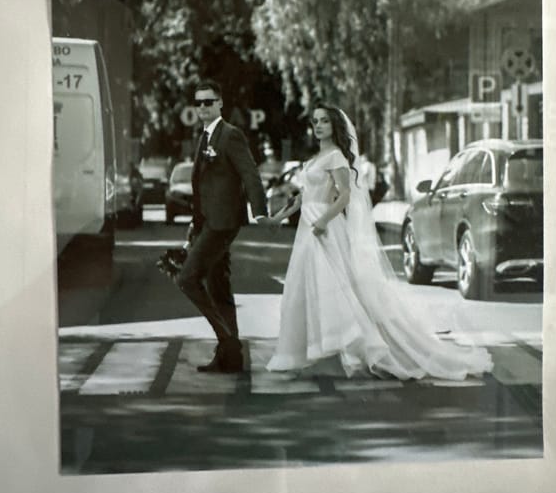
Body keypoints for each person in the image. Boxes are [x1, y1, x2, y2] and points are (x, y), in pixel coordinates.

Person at [266, 104, 493, 380]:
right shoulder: (316, 158)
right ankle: (315, 350)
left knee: (333, 289)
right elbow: (303, 197)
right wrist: (278, 217)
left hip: (324, 228)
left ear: (334, 125)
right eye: (315, 122)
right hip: (308, 227)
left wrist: (324, 221)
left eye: (325, 121)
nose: (319, 126)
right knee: (307, 287)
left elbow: (345, 195)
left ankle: (343, 350)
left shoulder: (336, 156)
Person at [175, 80, 268, 373]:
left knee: (187, 278)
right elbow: (203, 186)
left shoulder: (230, 135)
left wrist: (260, 210)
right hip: (208, 222)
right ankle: (230, 360)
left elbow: (250, 174)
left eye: (208, 102)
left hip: (223, 223)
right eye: (198, 102)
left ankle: (228, 342)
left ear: (220, 104)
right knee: (218, 286)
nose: (202, 107)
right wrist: (195, 223)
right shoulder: (204, 137)